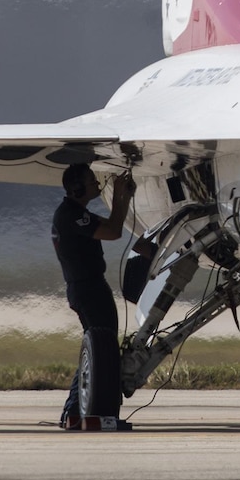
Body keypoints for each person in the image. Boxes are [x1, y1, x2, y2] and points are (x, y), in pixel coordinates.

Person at [53, 163, 136, 430]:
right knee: (101, 346)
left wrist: (124, 197)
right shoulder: (72, 216)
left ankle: (76, 412)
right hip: (88, 288)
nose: (97, 186)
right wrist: (121, 197)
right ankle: (77, 411)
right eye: (92, 182)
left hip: (87, 288)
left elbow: (112, 225)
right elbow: (113, 231)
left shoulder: (74, 213)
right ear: (76, 187)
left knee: (98, 348)